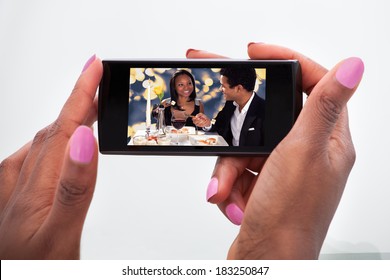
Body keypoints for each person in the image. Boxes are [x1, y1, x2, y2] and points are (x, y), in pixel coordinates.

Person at [0, 43, 364, 260]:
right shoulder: (190, 107)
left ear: (235, 86)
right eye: (183, 82)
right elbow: (214, 131)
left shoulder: (247, 109)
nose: (212, 88)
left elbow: (218, 132)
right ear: (176, 86)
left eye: (220, 84)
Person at [193, 67, 265, 146]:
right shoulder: (230, 104)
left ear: (238, 88)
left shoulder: (264, 111)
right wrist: (207, 124)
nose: (220, 89)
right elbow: (219, 128)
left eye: (223, 86)